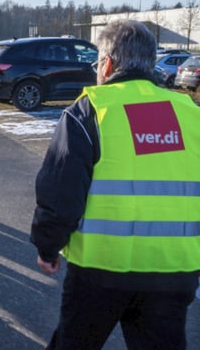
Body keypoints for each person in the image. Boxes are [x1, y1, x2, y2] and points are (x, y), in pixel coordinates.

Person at [32, 19, 200, 349]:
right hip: (174, 269)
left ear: (107, 64)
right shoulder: (190, 114)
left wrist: (48, 245)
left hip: (100, 269)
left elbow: (60, 191)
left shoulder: (90, 111)